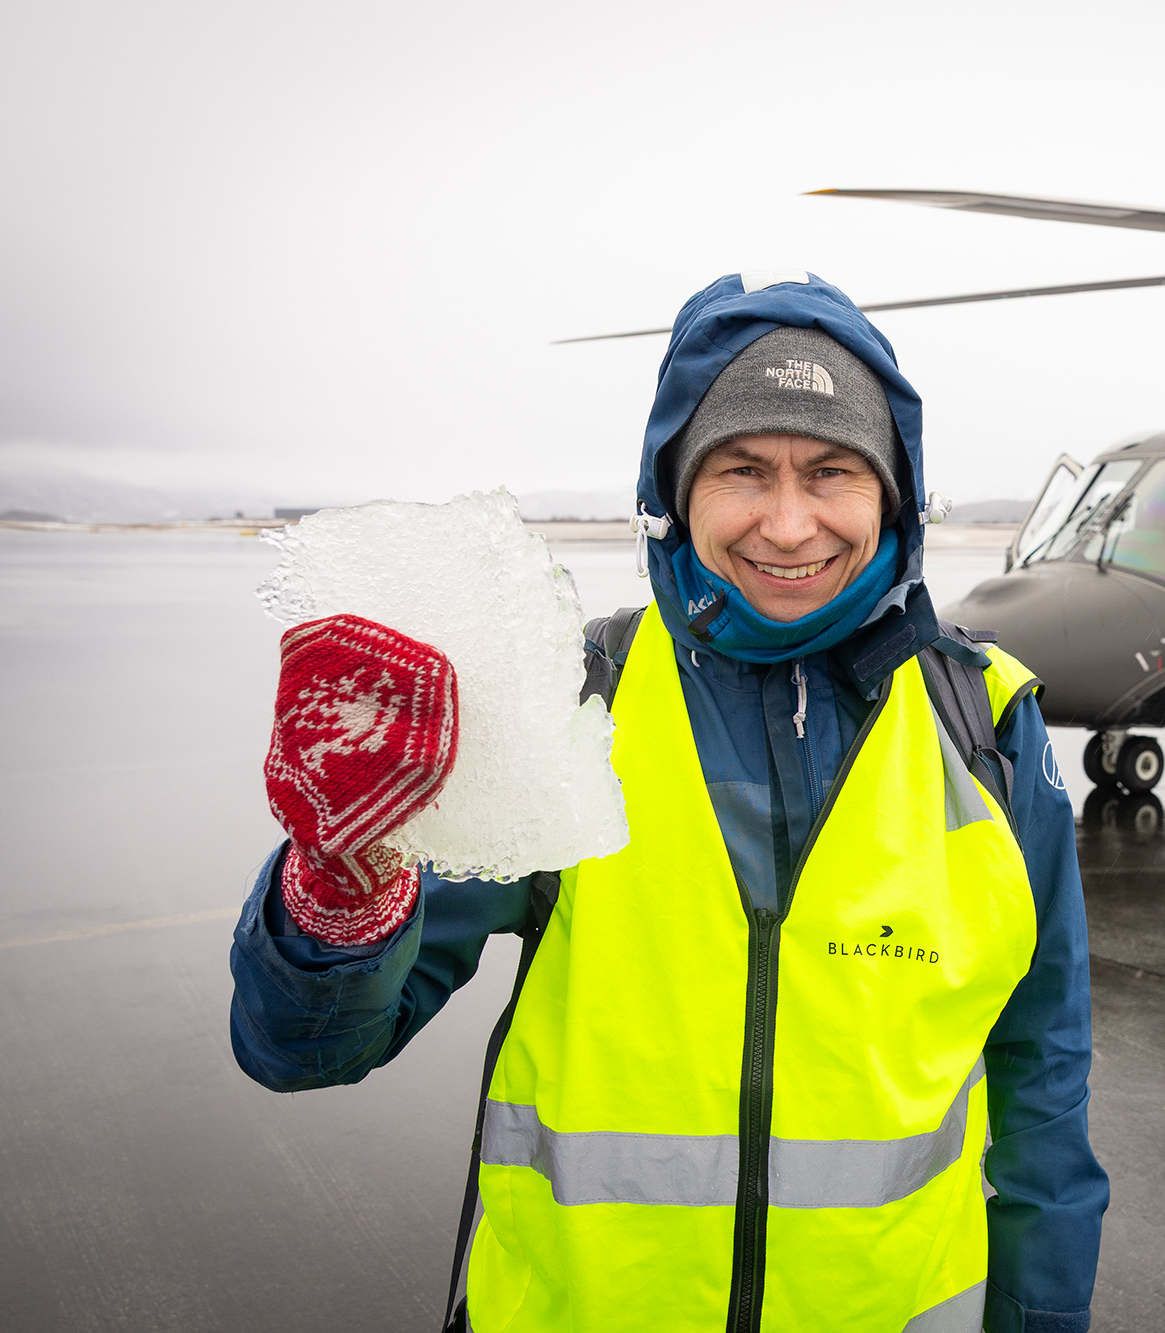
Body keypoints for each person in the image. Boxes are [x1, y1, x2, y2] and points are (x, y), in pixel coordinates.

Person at [228, 272, 1109, 1333]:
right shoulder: (574, 698)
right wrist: (342, 883)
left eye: (831, 471)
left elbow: (1043, 1081)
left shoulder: (989, 729)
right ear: (675, 490)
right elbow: (304, 1052)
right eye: (742, 469)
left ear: (892, 494)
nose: (788, 525)